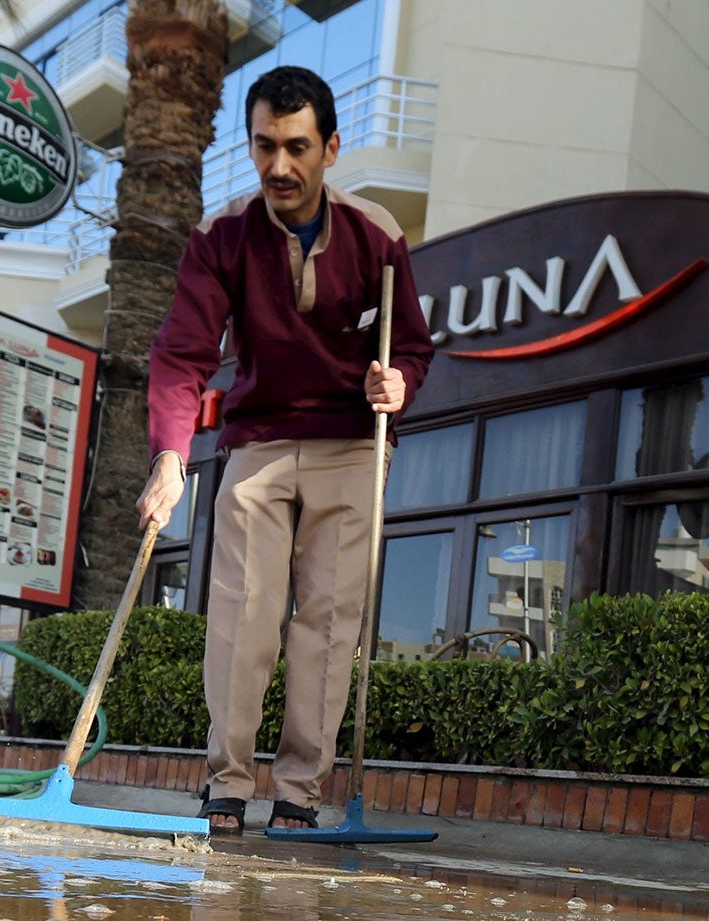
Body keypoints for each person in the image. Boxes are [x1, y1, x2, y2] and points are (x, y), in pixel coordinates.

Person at [138, 65, 435, 835]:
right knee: (244, 613)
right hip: (258, 442)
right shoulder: (220, 238)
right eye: (265, 146)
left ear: (331, 148)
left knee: (329, 625)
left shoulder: (378, 236)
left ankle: (300, 793)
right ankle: (228, 784)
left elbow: (414, 350)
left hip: (351, 445)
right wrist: (171, 455)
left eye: (297, 146)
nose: (280, 166)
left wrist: (396, 381)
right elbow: (181, 355)